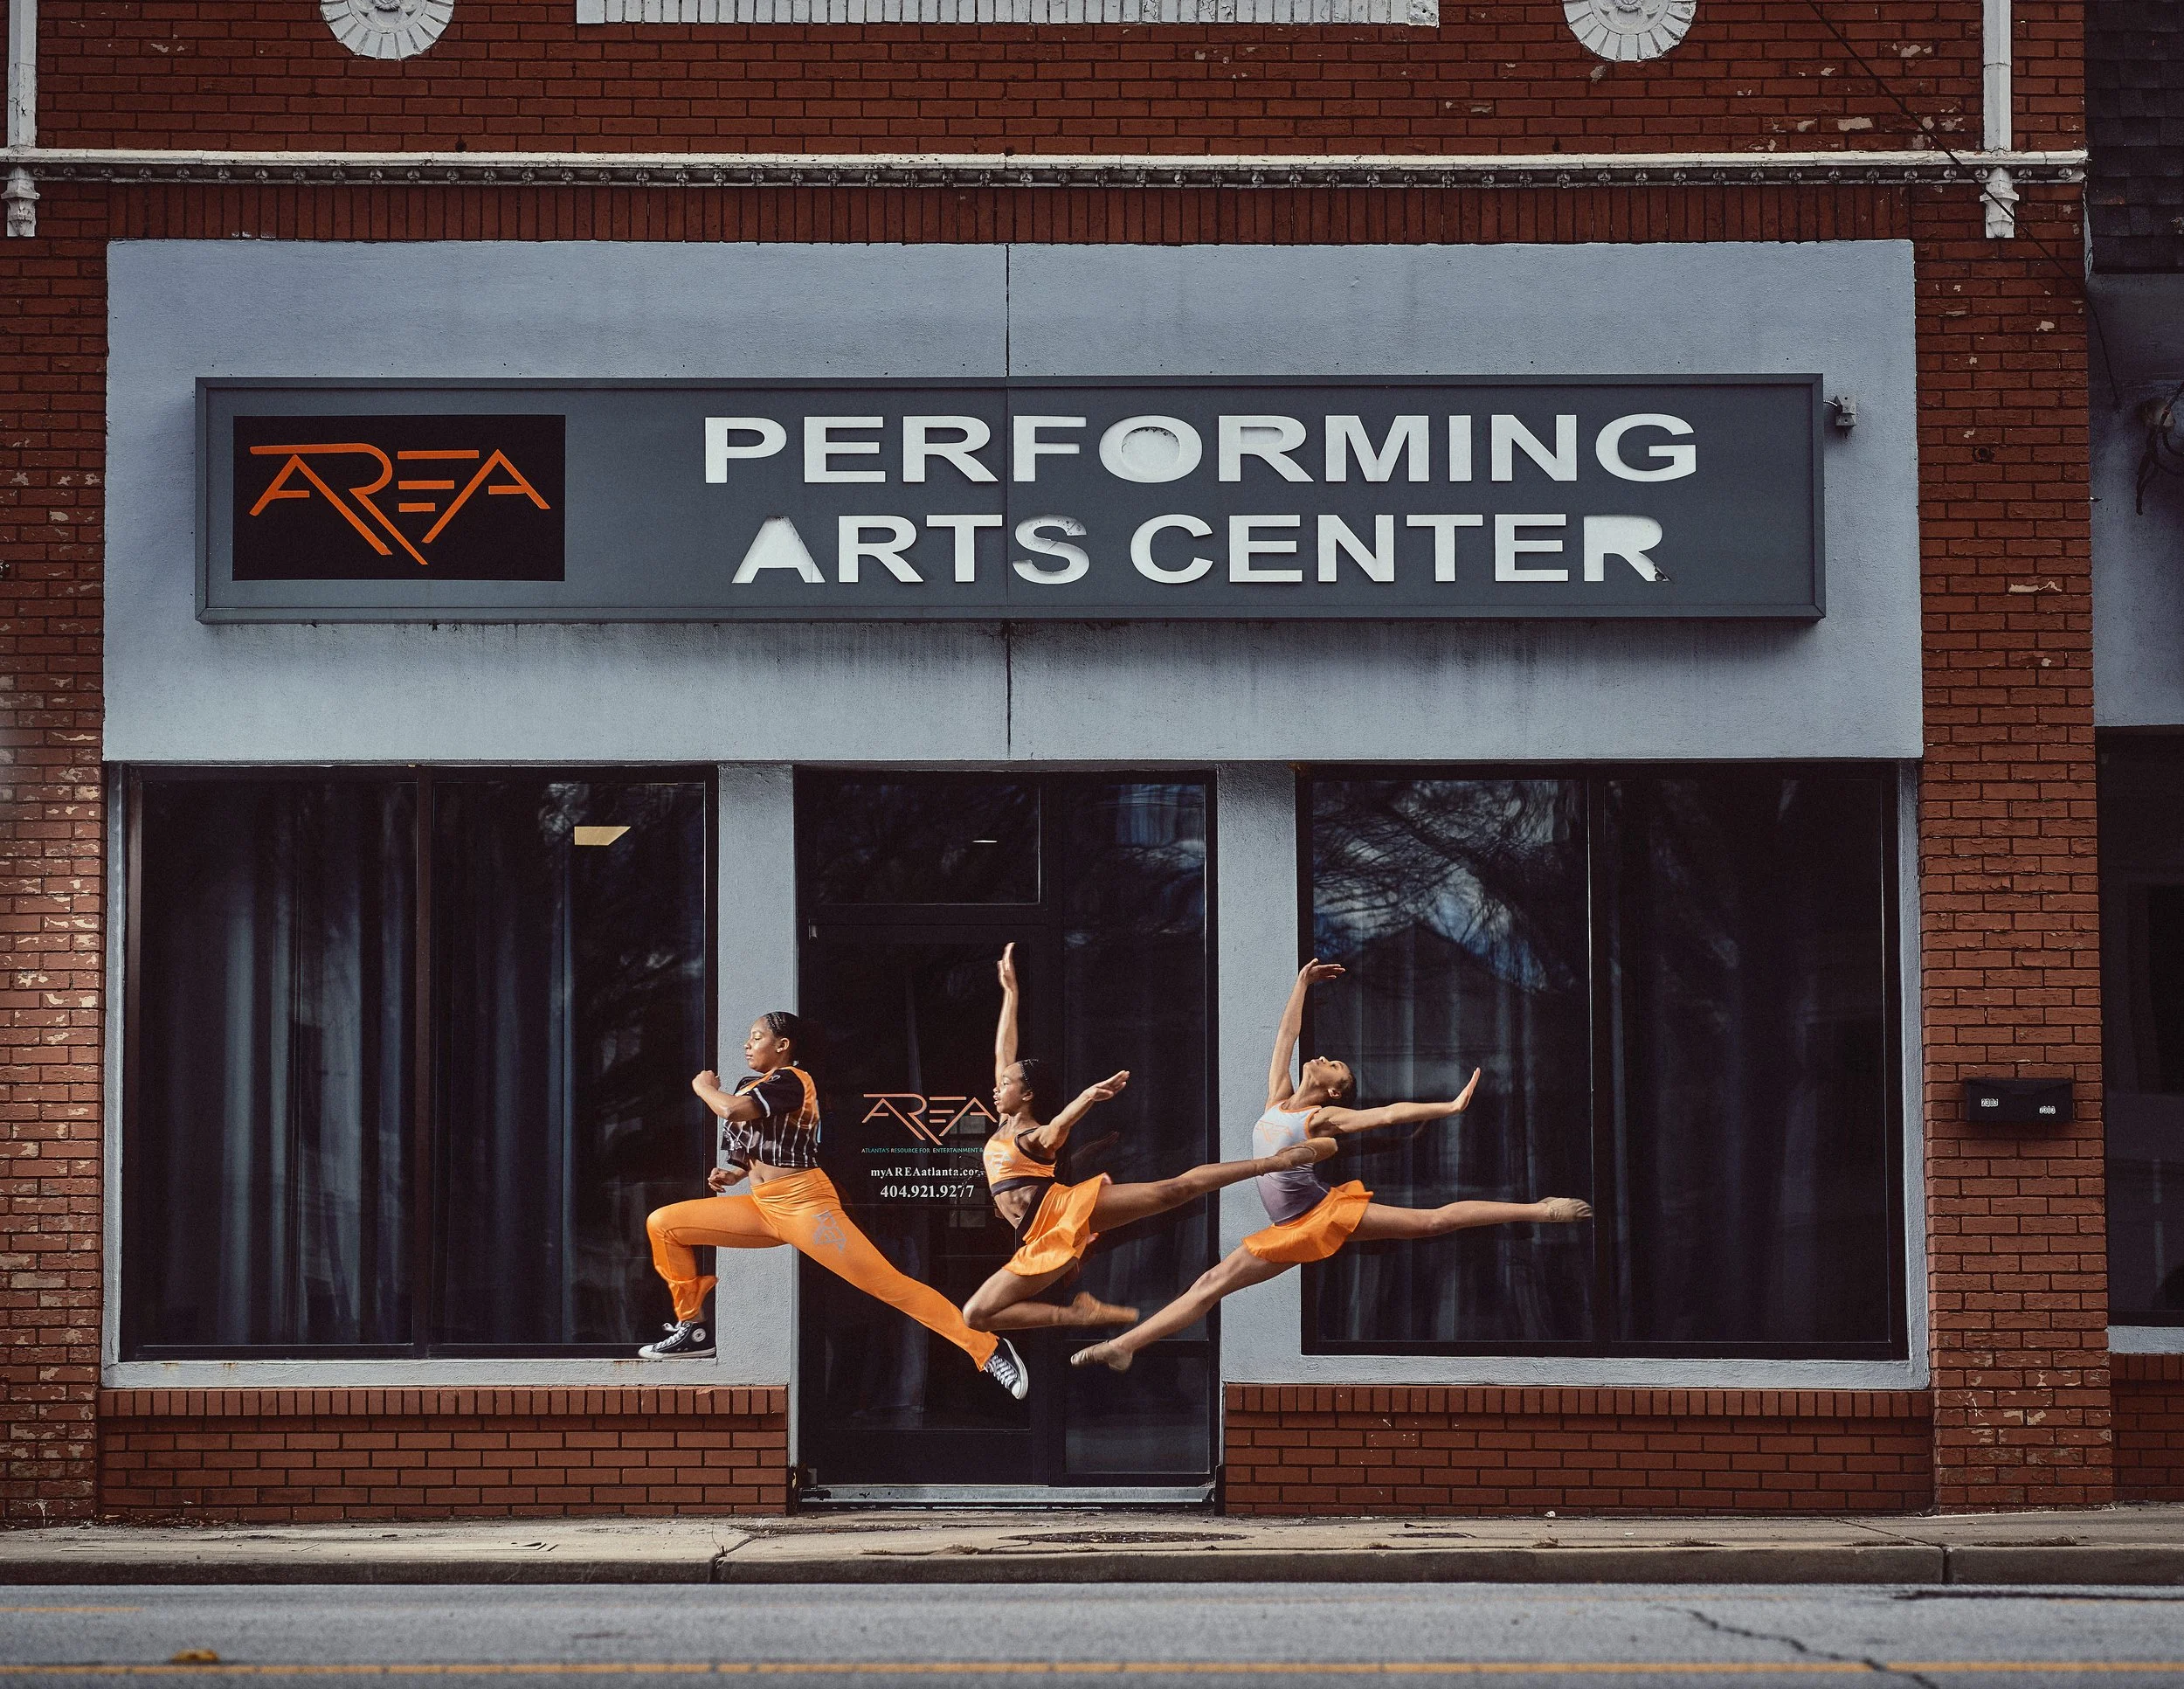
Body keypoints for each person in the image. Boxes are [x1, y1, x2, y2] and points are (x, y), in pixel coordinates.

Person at [1070, 959, 1592, 1374]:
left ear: (1335, 1088)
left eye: (1336, 1065)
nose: (1327, 1058)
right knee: (1209, 1285)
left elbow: (1389, 1113)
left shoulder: (1326, 1117)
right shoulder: (1279, 1099)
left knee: (1433, 1221)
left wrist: (1448, 1108)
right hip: (1290, 1225)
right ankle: (1125, 1347)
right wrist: (1301, 983)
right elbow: (1285, 1038)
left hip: (1321, 1214)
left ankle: (1542, 1211)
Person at [639, 1010, 1030, 1401]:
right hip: (762, 1207)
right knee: (663, 1223)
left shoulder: (793, 1080)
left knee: (888, 1285)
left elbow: (731, 1111)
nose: (747, 1043)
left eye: (757, 1036)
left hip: (806, 1205)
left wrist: (703, 1087)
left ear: (782, 1046)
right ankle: (693, 1328)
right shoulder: (749, 1085)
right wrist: (734, 1175)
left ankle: (988, 1349)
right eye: (749, 1037)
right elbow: (759, 1146)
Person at [958, 944, 1337, 1337]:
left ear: (1029, 1095)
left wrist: (1088, 1097)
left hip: (1061, 1209)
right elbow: (1005, 1053)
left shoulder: (1031, 1136)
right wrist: (1011, 994)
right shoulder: (1004, 1121)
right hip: (1037, 1234)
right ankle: (1076, 1314)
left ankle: (1272, 1163)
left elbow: (1058, 1127)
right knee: (976, 1315)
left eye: (1007, 1084)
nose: (997, 1087)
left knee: (1171, 1192)